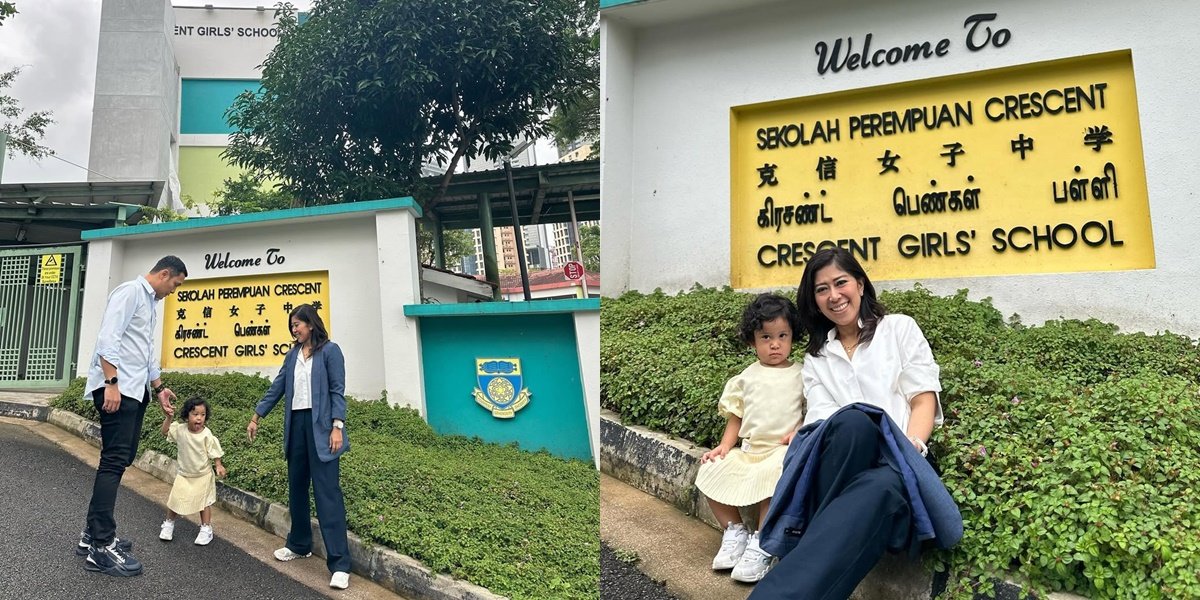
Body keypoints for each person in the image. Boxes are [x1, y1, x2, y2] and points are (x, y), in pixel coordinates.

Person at [750, 247, 959, 600]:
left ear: (860, 284)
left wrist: (913, 446)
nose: (833, 296)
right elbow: (822, 424)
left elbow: (923, 399)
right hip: (845, 465)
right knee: (853, 425)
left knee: (878, 478)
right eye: (821, 289)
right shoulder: (817, 358)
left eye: (841, 282)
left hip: (899, 461)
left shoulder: (899, 329)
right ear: (814, 301)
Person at [78, 255, 186, 577]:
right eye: (175, 284)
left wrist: (160, 388)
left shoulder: (150, 304)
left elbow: (144, 352)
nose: (174, 291)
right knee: (113, 461)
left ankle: (91, 534)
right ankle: (101, 545)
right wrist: (111, 383)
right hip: (118, 389)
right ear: (165, 274)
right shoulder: (129, 293)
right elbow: (107, 339)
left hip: (134, 392)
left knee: (120, 459)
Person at [694, 293, 805, 583]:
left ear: (793, 335)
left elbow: (811, 411)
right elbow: (736, 417)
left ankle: (762, 542)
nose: (775, 344)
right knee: (710, 469)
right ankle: (734, 531)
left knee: (773, 480)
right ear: (751, 341)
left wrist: (800, 429)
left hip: (780, 451)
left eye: (782, 335)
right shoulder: (745, 377)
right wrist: (724, 446)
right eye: (765, 337)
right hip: (750, 451)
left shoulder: (802, 375)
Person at [247, 304, 352, 590]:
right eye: (292, 326)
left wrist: (337, 426)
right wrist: (257, 416)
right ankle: (299, 543)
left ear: (311, 324)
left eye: (298, 324)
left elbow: (336, 390)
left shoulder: (330, 351)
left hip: (323, 429)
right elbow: (278, 387)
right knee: (296, 488)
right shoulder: (292, 355)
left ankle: (340, 564)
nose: (295, 329)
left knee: (327, 494)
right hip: (296, 426)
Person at [158, 397, 226, 546]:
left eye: (202, 414)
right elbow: (165, 432)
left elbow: (214, 451)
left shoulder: (206, 434)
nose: (199, 418)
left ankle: (206, 529)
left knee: (204, 503)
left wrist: (218, 465)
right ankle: (168, 524)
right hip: (184, 474)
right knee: (175, 499)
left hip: (202, 475)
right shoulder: (180, 430)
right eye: (195, 414)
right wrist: (168, 417)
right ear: (187, 415)